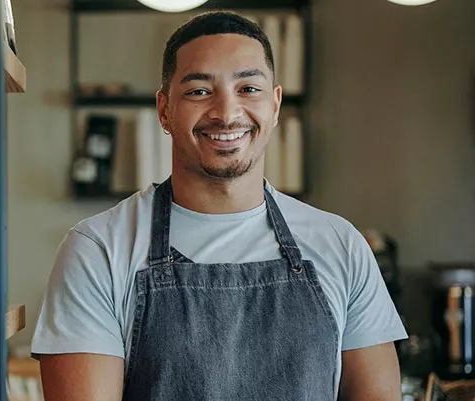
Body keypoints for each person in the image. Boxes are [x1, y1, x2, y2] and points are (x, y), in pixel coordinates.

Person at [32, 11, 406, 401]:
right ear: (164, 110)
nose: (226, 113)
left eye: (248, 89)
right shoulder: (98, 250)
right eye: (199, 91)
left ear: (275, 105)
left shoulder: (341, 244)